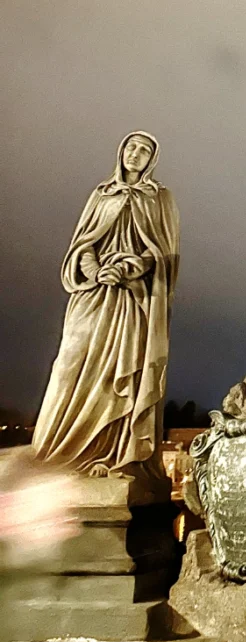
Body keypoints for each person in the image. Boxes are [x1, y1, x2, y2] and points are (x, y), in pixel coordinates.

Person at [32, 132, 180, 479]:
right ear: (121, 152)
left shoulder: (160, 198)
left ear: (152, 160)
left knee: (119, 372)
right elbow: (82, 242)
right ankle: (56, 451)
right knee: (69, 365)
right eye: (131, 147)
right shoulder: (102, 195)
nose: (136, 154)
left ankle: (112, 452)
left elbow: (166, 254)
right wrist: (95, 270)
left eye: (144, 151)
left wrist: (131, 266)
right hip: (93, 295)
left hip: (133, 301)